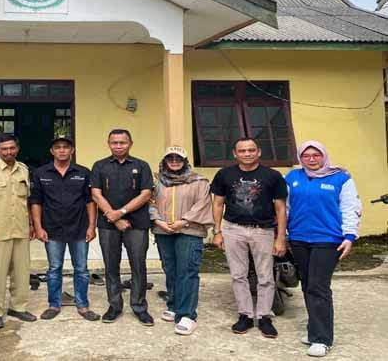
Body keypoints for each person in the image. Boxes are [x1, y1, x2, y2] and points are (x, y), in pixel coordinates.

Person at [285, 140, 362, 357]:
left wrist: (349, 236)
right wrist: (281, 234)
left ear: (323, 156)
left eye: (316, 155)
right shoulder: (292, 178)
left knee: (319, 286)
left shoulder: (341, 178)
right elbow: (285, 207)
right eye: (306, 155)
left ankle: (322, 338)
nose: (311, 159)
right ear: (300, 158)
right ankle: (314, 330)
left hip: (329, 240)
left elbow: (350, 208)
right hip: (299, 238)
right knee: (308, 285)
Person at [211, 137, 287, 338]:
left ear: (259, 152)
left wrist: (280, 238)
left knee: (265, 276)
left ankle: (264, 316)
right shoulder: (224, 174)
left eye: (251, 150)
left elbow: (280, 209)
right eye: (242, 151)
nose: (247, 154)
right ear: (235, 153)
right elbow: (218, 204)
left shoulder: (273, 176)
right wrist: (217, 231)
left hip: (263, 230)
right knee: (238, 275)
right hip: (233, 229)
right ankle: (244, 314)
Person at [30, 136, 99, 322]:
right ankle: (54, 304)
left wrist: (92, 226)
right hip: (52, 229)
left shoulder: (83, 172)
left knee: (82, 269)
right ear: (52, 151)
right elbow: (36, 201)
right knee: (54, 268)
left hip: (79, 228)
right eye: (58, 147)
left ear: (72, 150)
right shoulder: (41, 173)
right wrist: (38, 227)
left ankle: (82, 305)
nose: (62, 150)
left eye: (65, 147)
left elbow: (90, 201)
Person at [91, 129, 154, 326]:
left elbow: (145, 194)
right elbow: (96, 194)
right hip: (108, 224)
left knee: (138, 265)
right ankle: (114, 306)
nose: (118, 146)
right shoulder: (100, 166)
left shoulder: (141, 166)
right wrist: (114, 216)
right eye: (114, 142)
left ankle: (139, 307)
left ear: (130, 143)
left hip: (137, 224)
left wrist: (122, 212)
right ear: (108, 143)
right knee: (111, 266)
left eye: (122, 142)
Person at [149, 146, 213, 336]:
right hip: (163, 231)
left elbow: (203, 204)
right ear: (165, 161)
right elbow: (150, 202)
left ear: (185, 161)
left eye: (179, 158)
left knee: (187, 271)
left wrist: (183, 222)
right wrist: (158, 220)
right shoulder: (158, 181)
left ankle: (187, 315)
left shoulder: (199, 181)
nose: (174, 161)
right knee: (170, 269)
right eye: (171, 158)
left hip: (189, 230)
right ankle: (175, 305)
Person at [0, 134, 37, 329]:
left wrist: (30, 224)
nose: (8, 152)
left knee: (22, 272)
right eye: (4, 149)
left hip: (20, 229)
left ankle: (18, 307)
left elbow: (26, 200)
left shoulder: (24, 170)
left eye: (12, 148)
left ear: (17, 148)